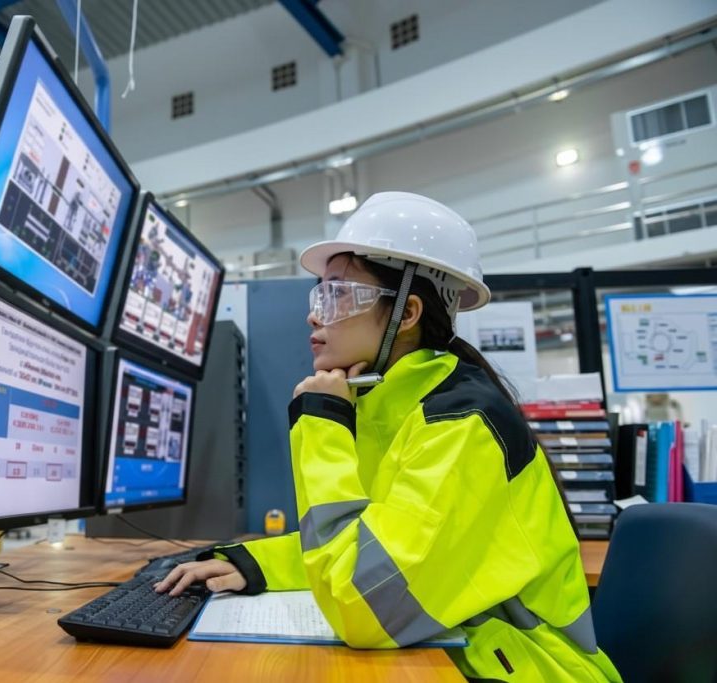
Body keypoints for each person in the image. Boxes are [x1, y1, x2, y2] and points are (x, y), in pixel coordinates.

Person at [154, 192, 621, 681]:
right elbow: (375, 549)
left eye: (337, 294)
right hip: (466, 654)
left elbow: (365, 606)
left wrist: (321, 425)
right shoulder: (394, 406)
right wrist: (259, 564)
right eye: (320, 294)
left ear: (409, 313)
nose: (315, 315)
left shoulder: (460, 425)